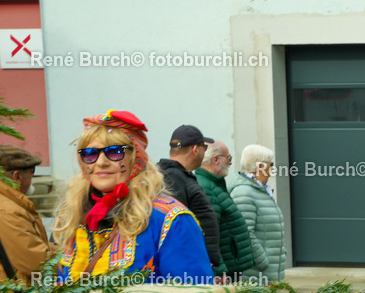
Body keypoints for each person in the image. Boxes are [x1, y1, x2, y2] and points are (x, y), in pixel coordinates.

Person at [53, 110, 213, 283]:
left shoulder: (171, 220)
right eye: (90, 153)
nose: (101, 162)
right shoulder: (70, 216)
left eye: (114, 152)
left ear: (136, 158)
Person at [195, 141, 268, 281]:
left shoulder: (215, 184)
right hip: (225, 271)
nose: (230, 163)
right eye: (228, 158)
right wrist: (219, 269)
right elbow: (208, 233)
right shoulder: (206, 187)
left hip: (230, 266)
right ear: (215, 159)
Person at [157, 125, 223, 273]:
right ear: (195, 149)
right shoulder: (172, 178)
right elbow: (175, 227)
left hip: (195, 259)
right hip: (188, 264)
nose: (204, 152)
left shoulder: (178, 176)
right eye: (203, 147)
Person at [228, 144, 286, 283]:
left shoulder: (261, 190)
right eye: (270, 165)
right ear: (260, 167)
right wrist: (262, 260)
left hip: (270, 273)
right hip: (256, 274)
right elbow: (244, 233)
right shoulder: (244, 193)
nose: (272, 170)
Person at [0, 145, 57, 283]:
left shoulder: (12, 204)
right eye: (32, 170)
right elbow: (37, 263)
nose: (33, 174)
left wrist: (62, 250)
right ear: (17, 176)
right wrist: (75, 260)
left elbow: (36, 244)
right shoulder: (7, 211)